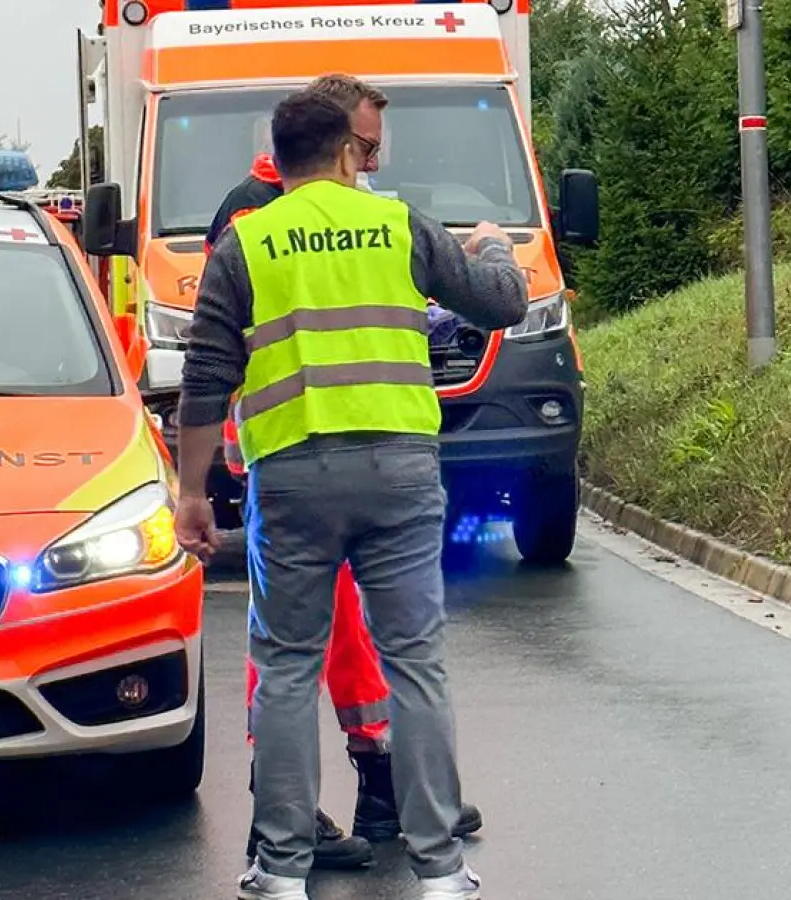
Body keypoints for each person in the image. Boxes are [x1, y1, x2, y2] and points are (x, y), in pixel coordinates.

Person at [173, 87, 527, 900]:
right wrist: (495, 248)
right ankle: (440, 868)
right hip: (400, 474)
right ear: (342, 154)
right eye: (364, 151)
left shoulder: (246, 242)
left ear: (279, 156)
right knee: (418, 665)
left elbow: (205, 375)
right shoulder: (401, 226)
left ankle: (281, 869)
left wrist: (192, 491)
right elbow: (499, 302)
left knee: (289, 665)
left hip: (292, 477)